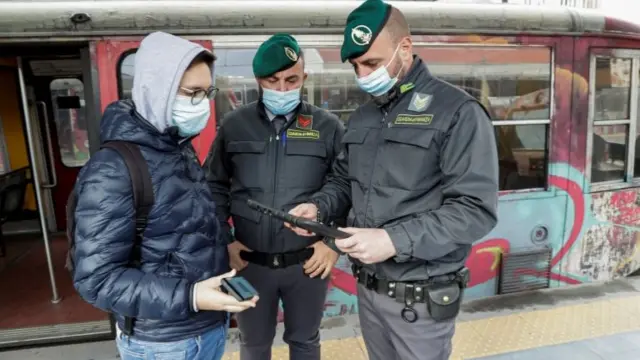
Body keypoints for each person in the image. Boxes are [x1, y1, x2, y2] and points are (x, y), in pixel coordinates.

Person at [287, 1, 500, 359]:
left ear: (405, 48)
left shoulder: (458, 112)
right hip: (369, 292)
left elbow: (474, 209)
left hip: (420, 302)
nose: (363, 74)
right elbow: (343, 182)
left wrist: (393, 240)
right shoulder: (363, 117)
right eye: (356, 66)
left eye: (371, 63)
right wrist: (319, 208)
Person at [71, 31, 258, 360]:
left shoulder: (176, 148)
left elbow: (184, 225)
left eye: (206, 92)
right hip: (162, 343)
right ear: (157, 90)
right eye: (192, 93)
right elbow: (97, 279)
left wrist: (223, 246)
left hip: (204, 328)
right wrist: (192, 296)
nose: (202, 104)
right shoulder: (113, 170)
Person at [204, 34, 346, 360]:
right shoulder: (233, 126)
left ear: (304, 78)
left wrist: (332, 245)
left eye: (291, 79)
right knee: (254, 345)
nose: (282, 89)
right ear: (259, 80)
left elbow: (346, 185)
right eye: (273, 80)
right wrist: (225, 240)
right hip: (250, 265)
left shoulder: (327, 127)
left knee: (305, 342)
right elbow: (214, 186)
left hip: (308, 265)